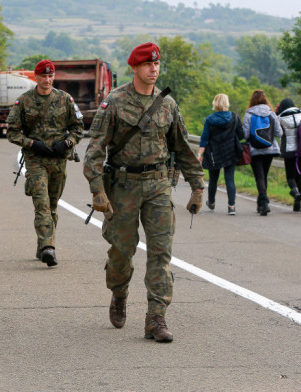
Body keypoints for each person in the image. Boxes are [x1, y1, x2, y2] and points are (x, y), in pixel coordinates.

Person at [83, 43, 205, 342]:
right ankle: (119, 292)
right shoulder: (114, 102)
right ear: (135, 67)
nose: (154, 69)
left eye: (157, 65)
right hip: (122, 187)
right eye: (148, 65)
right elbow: (94, 152)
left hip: (158, 186)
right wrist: (98, 191)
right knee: (121, 253)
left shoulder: (168, 105)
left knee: (161, 252)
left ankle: (156, 318)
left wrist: (197, 184)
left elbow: (182, 148)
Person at [7, 59, 84, 267]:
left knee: (51, 206)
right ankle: (49, 247)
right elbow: (11, 131)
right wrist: (31, 143)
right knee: (41, 203)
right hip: (35, 161)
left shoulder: (65, 99)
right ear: (36, 77)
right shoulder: (24, 101)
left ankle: (43, 244)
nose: (47, 80)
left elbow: (79, 127)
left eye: (51, 76)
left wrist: (67, 142)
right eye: (43, 76)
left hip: (59, 160)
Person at [197, 94, 244, 215]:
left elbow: (204, 138)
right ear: (226, 103)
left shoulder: (210, 119)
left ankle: (211, 202)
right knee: (230, 178)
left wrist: (199, 154)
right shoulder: (235, 117)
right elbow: (242, 134)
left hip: (213, 153)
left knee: (213, 179)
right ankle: (231, 206)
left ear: (215, 103)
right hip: (230, 151)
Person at [242, 90, 282, 216]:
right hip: (270, 149)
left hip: (255, 149)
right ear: (265, 100)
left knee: (259, 176)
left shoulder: (249, 114)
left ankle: (264, 203)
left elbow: (245, 134)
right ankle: (261, 204)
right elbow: (279, 133)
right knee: (264, 175)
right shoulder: (271, 114)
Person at [276, 97, 301, 212]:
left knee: (290, 177)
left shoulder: (280, 118)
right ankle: (297, 205)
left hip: (289, 151)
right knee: (298, 175)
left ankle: (295, 192)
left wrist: (276, 113)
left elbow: (277, 132)